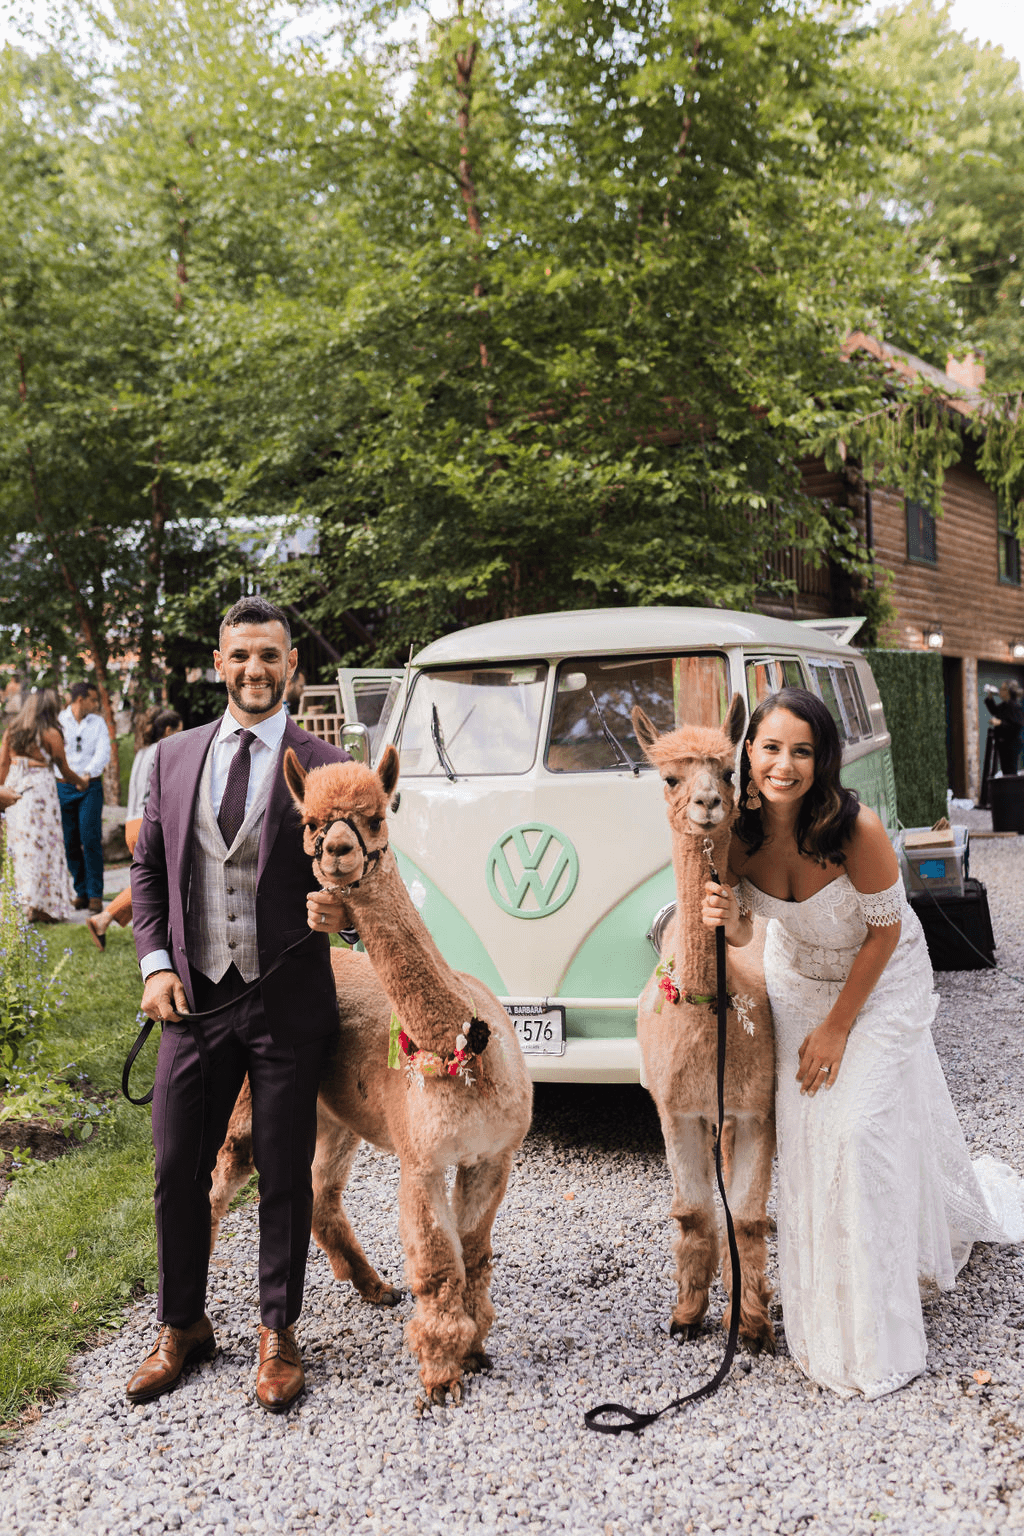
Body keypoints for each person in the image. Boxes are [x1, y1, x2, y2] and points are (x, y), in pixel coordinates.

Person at [702, 686, 1024, 1399]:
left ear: (824, 759)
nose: (784, 764)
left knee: (857, 1129)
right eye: (771, 747)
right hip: (799, 975)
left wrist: (840, 1026)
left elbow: (885, 932)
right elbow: (747, 934)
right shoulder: (737, 836)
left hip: (879, 979)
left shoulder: (856, 830)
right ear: (747, 752)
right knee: (813, 1132)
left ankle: (879, 1331)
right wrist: (721, 915)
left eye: (803, 751)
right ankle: (826, 1305)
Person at [128, 596, 349, 1412]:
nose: (255, 669)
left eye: (270, 656)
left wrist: (344, 911)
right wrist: (155, 967)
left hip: (287, 1001)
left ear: (293, 666)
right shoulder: (170, 759)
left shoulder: (325, 765)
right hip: (193, 1002)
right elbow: (148, 874)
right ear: (218, 665)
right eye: (241, 656)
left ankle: (277, 1332)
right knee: (176, 1167)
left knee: (286, 1175)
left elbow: (367, 876)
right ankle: (183, 1325)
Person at [85, 707, 183, 950]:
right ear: (169, 731)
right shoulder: (164, 750)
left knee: (154, 879)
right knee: (157, 880)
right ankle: (105, 917)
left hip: (132, 823)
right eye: (179, 732)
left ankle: (111, 920)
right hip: (149, 824)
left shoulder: (141, 753)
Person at [0, 690, 86, 922]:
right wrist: (82, 782)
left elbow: (2, 766)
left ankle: (23, 903)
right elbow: (64, 768)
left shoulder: (12, 732)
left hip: (13, 791)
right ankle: (42, 906)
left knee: (20, 848)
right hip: (39, 794)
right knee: (45, 846)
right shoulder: (51, 733)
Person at [56, 681, 111, 913]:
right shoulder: (59, 721)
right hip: (64, 786)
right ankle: (81, 892)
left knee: (90, 838)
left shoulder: (97, 723)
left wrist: (88, 774)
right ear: (80, 699)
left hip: (90, 786)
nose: (95, 704)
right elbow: (55, 753)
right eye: (91, 699)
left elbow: (103, 751)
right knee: (69, 841)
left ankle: (95, 894)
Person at [983, 680, 1024, 776]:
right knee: (1006, 771)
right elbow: (995, 711)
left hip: (1011, 744)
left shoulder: (1015, 707)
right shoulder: (1004, 705)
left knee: (1010, 771)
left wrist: (1000, 723)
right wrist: (990, 697)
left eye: (1002, 689)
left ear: (1008, 691)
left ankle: (1012, 790)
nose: (1000, 691)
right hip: (1003, 743)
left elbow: (1017, 725)